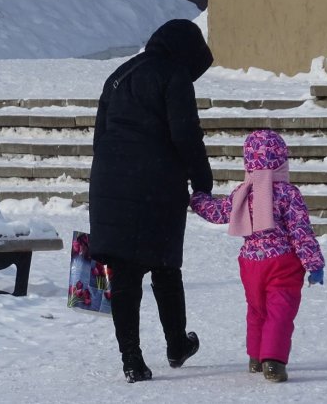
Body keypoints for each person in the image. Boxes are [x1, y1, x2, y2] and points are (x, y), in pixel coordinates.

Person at [88, 19, 214, 383]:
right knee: (165, 267)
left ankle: (132, 360)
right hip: (157, 183)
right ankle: (177, 344)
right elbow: (185, 134)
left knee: (124, 275)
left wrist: (114, 176)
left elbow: (101, 137)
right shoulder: (173, 74)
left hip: (110, 184)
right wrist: (202, 179)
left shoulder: (118, 75)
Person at [189, 129, 325, 383]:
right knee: (279, 311)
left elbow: (219, 212)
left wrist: (198, 200)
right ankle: (272, 361)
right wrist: (314, 264)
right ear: (282, 159)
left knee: (257, 310)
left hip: (250, 263)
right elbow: (301, 232)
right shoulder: (287, 193)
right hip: (282, 262)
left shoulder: (243, 191)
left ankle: (255, 357)